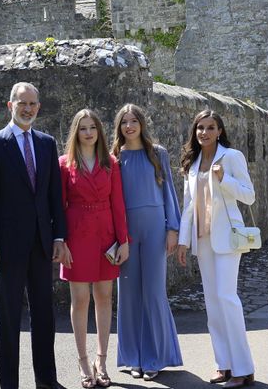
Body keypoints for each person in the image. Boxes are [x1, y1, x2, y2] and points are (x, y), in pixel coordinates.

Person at [0, 81, 73, 389]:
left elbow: (54, 195)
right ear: (10, 106)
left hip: (42, 244)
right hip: (7, 247)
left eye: (32, 104)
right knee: (9, 320)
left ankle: (46, 380)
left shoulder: (46, 143)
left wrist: (59, 236)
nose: (27, 108)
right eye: (22, 103)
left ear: (38, 108)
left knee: (44, 316)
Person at [176, 110, 255, 388]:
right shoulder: (193, 163)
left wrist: (225, 180)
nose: (205, 133)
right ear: (195, 131)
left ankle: (243, 368)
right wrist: (184, 241)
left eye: (211, 127)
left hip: (228, 238)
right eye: (200, 127)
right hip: (203, 240)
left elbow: (249, 195)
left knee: (226, 297)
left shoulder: (231, 157)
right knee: (212, 303)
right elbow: (188, 205)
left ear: (219, 131)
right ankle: (224, 364)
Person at [111, 104, 183, 382]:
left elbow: (169, 192)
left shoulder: (158, 154)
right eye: (124, 122)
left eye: (134, 121)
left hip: (155, 228)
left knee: (153, 293)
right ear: (119, 127)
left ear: (142, 123)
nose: (129, 126)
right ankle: (132, 357)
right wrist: (117, 237)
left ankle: (156, 357)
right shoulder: (114, 158)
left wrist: (173, 228)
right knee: (128, 295)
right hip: (126, 231)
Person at [58, 109, 130, 388]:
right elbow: (59, 206)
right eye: (83, 128)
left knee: (104, 297)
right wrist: (60, 241)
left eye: (93, 128)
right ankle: (83, 361)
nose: (88, 133)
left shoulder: (110, 162)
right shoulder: (64, 164)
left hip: (106, 236)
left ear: (100, 132)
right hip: (76, 236)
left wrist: (123, 241)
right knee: (80, 300)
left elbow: (118, 205)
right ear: (76, 132)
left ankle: (102, 360)